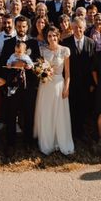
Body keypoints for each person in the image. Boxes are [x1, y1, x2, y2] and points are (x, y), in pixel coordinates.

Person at [1, 16, 41, 152]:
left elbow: (38, 63)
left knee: (28, 115)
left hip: (28, 85)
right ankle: (10, 143)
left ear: (27, 27)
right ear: (15, 26)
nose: (21, 29)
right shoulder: (8, 43)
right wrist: (12, 68)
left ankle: (28, 142)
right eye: (18, 26)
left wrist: (26, 65)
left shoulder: (33, 43)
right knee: (11, 115)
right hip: (13, 86)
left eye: (24, 26)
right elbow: (3, 64)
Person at [34, 26, 74, 156]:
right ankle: (47, 143)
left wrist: (66, 88)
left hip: (59, 85)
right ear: (47, 37)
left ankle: (61, 142)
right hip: (45, 86)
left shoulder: (65, 51)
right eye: (50, 36)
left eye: (54, 36)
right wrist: (42, 72)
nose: (52, 38)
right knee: (46, 113)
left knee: (59, 114)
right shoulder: (42, 50)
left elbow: (67, 73)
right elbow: (38, 68)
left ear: (58, 36)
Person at [61, 17, 95, 143]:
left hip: (85, 83)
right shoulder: (65, 42)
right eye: (75, 27)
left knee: (83, 108)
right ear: (72, 27)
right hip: (71, 82)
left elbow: (92, 65)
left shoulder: (91, 42)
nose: (78, 30)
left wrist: (92, 83)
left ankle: (81, 133)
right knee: (71, 108)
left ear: (84, 28)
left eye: (80, 27)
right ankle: (71, 133)